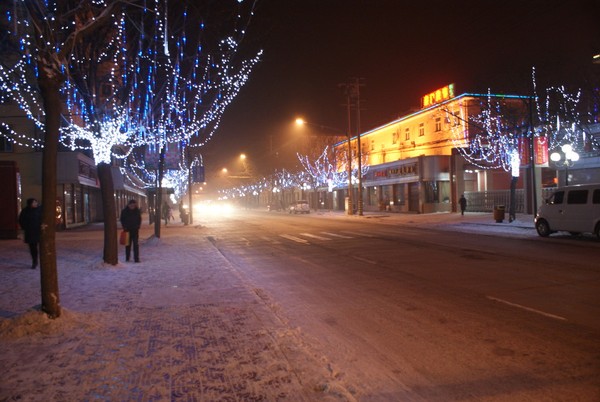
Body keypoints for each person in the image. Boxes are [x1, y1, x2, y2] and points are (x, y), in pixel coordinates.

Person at [19, 198, 42, 269]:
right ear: (30, 203)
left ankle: (39, 260)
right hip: (30, 232)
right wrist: (25, 227)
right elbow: (21, 220)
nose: (35, 204)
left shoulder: (39, 210)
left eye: (36, 202)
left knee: (41, 246)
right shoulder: (25, 211)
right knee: (33, 247)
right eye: (34, 202)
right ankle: (34, 261)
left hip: (39, 231)